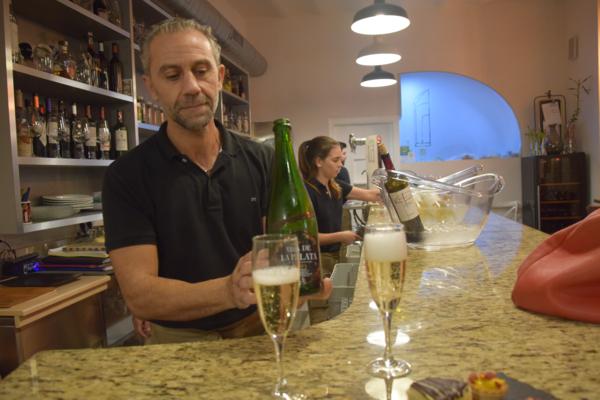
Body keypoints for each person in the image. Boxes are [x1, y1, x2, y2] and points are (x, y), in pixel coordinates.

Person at [102, 18, 330, 344]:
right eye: (172, 75)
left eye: (201, 70)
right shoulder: (126, 176)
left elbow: (281, 248)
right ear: (151, 86)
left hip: (261, 327)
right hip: (177, 341)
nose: (192, 87)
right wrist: (228, 291)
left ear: (220, 76)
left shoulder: (264, 160)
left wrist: (299, 282)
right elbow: (140, 295)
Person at [298, 136, 380, 276]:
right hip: (318, 260)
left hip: (335, 255)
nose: (340, 164)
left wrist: (394, 191)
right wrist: (340, 236)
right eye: (335, 160)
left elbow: (370, 195)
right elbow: (305, 238)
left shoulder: (335, 186)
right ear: (319, 161)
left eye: (340, 160)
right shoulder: (306, 192)